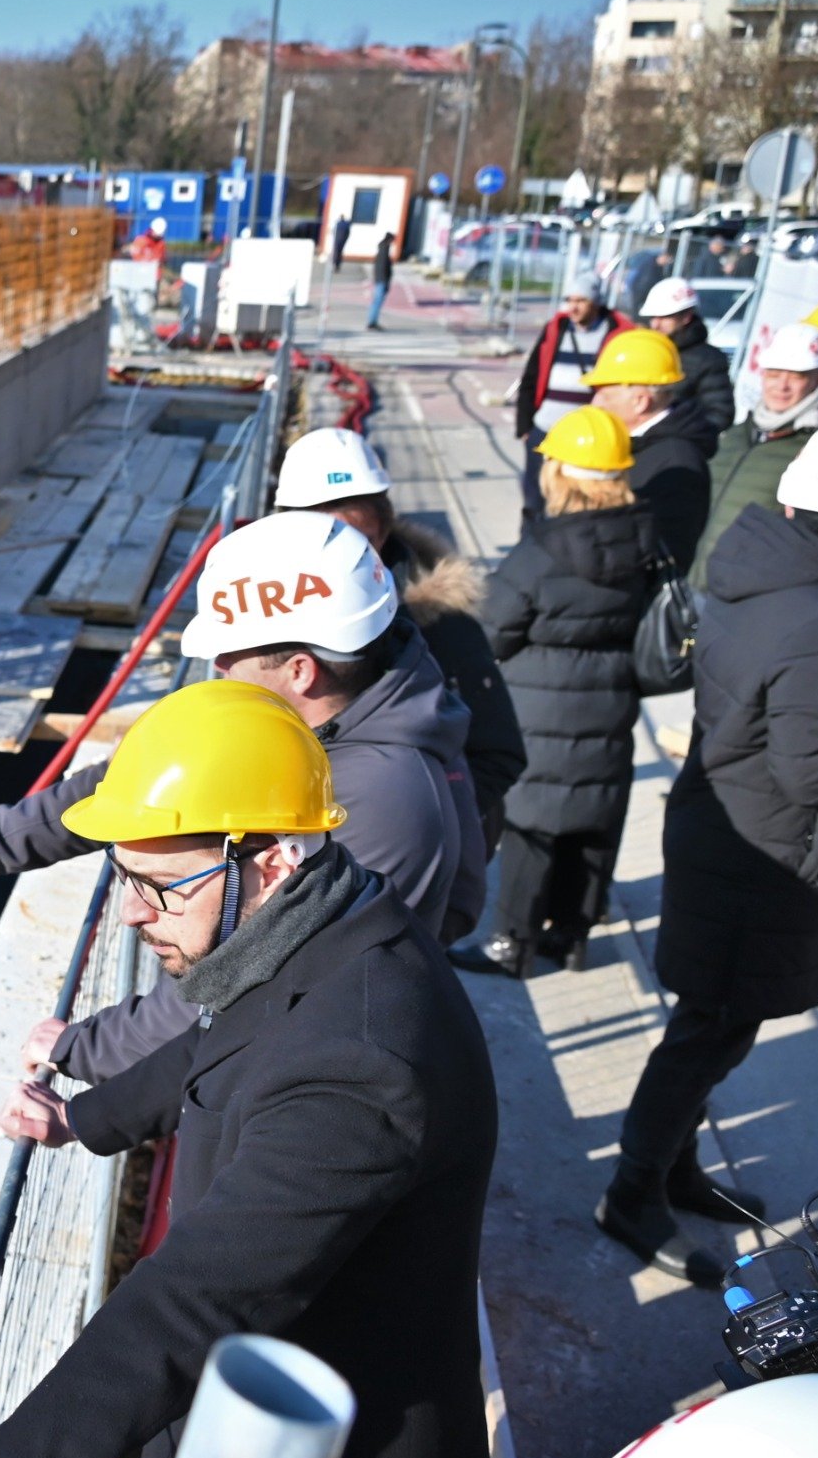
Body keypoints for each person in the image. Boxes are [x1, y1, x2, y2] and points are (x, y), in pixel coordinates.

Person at [0, 678, 497, 1458]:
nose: (132, 910)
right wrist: (83, 1118)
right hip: (261, 1428)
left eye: (161, 885)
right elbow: (221, 1042)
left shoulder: (362, 1061)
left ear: (274, 859)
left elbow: (201, 1291)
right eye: (123, 874)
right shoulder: (327, 922)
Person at [0, 512, 487, 1084]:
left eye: (228, 655)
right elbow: (141, 783)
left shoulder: (379, 801)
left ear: (301, 669)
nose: (215, 667)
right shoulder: (339, 707)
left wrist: (85, 1051)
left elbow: (243, 973)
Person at [607, 420, 818, 1285]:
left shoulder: (761, 574)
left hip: (731, 828)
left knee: (715, 1024)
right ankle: (631, 1193)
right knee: (708, 1031)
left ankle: (672, 1166)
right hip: (765, 854)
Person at [454, 408, 660, 977]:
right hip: (612, 706)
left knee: (531, 833)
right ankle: (571, 938)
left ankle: (509, 945)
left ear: (561, 474)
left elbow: (491, 628)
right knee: (592, 825)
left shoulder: (542, 552)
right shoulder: (644, 539)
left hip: (540, 713)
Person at [274, 426, 524, 846]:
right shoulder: (262, 620)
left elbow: (498, 751)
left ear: (383, 532)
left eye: (356, 540)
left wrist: (423, 826)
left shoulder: (441, 624)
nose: (341, 558)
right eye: (324, 539)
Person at [691, 321, 818, 587]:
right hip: (696, 581)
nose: (781, 386)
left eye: (796, 375)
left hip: (744, 593)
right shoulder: (738, 434)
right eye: (774, 373)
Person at [580, 327, 723, 569]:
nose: (596, 403)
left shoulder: (678, 464)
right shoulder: (641, 444)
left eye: (604, 394)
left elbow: (664, 556)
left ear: (640, 401)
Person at [513, 282, 633, 517]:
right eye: (570, 300)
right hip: (544, 429)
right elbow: (531, 376)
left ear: (596, 303)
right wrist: (525, 427)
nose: (573, 307)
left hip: (584, 438)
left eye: (581, 301)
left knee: (575, 501)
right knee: (534, 499)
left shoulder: (616, 333)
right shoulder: (556, 329)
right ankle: (529, 542)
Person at [638, 277, 738, 434]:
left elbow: (720, 414)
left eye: (664, 317)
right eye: (653, 317)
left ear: (686, 317)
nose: (656, 324)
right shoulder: (646, 350)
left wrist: (681, 437)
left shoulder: (709, 360)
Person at [365, 233, 394, 329]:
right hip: (382, 280)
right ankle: (372, 322)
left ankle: (372, 321)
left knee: (376, 301)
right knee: (377, 301)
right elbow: (383, 268)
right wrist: (385, 281)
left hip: (379, 279)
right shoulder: (384, 251)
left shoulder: (382, 250)